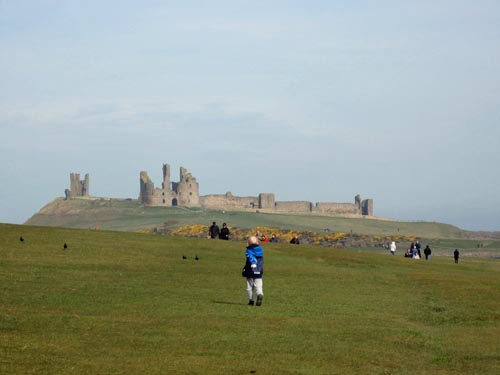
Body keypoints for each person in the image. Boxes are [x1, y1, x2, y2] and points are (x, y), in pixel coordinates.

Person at [242, 236, 264, 306]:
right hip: (259, 270)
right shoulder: (260, 250)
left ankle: (251, 300)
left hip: (250, 270)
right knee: (259, 285)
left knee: (249, 287)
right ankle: (260, 294)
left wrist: (253, 263)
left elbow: (251, 257)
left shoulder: (249, 250)